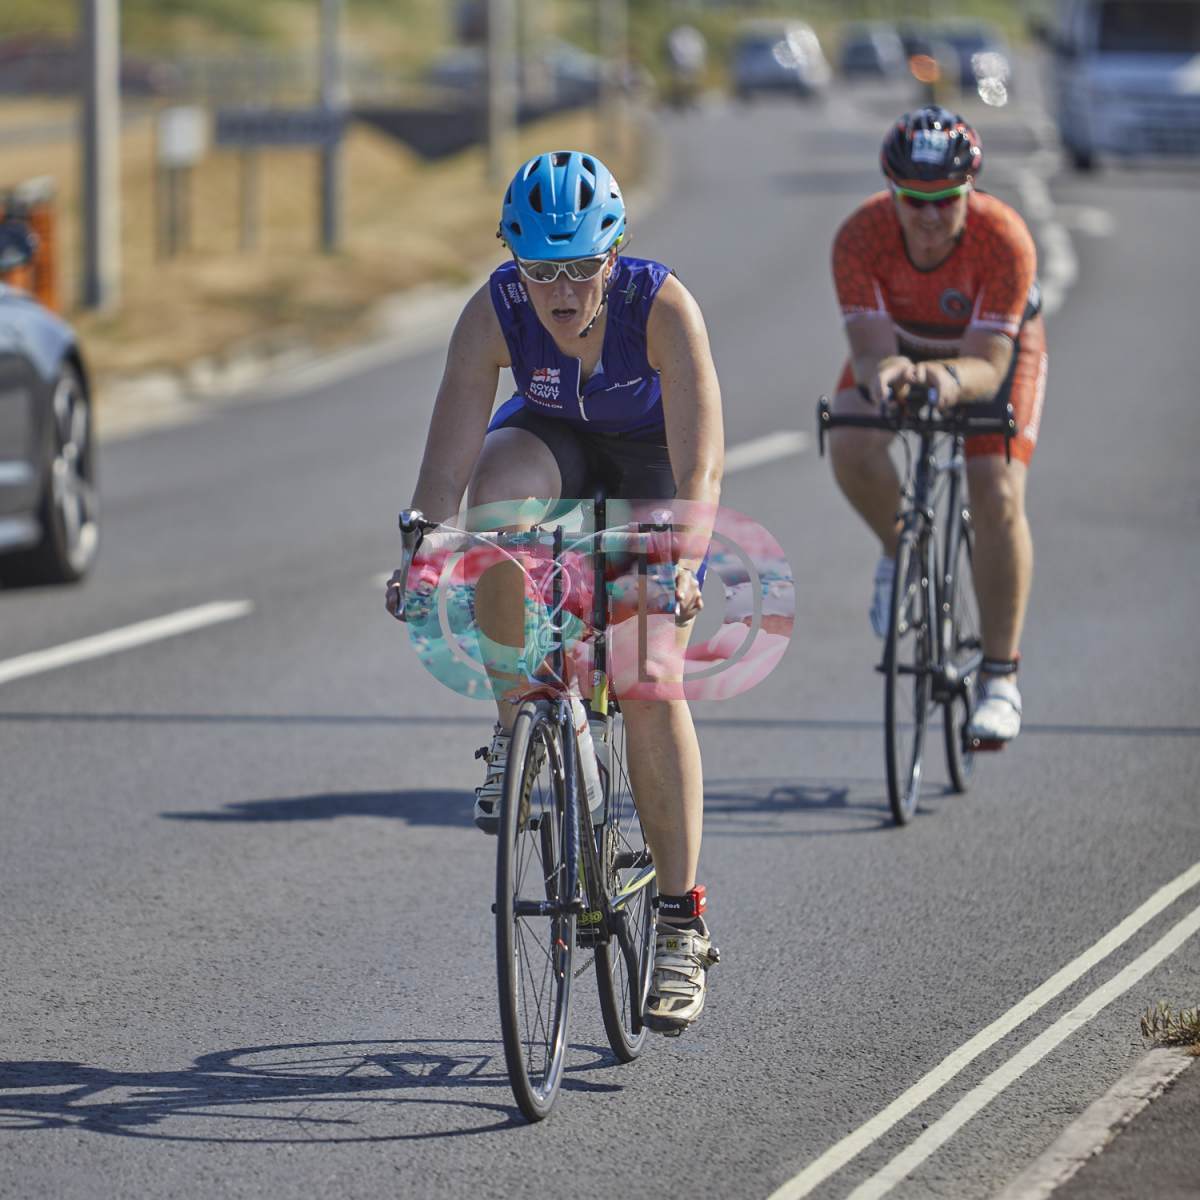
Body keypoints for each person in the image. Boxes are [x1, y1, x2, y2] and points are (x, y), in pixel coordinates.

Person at [385, 150, 725, 1033]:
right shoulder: (494, 310)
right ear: (514, 261)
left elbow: (700, 465)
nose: (562, 291)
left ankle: (681, 924)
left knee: (648, 677)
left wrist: (684, 562)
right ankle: (516, 726)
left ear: (615, 254)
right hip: (548, 444)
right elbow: (445, 466)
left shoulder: (663, 308)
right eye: (540, 270)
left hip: (651, 466)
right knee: (495, 514)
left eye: (580, 268)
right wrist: (425, 546)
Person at [828, 107, 1047, 744]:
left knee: (995, 489)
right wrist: (888, 373)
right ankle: (900, 552)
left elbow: (989, 364)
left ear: (970, 190)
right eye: (913, 200)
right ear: (891, 192)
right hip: (903, 345)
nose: (929, 216)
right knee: (849, 435)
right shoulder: (859, 236)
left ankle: (1000, 678)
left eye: (946, 200)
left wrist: (946, 381)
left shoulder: (1004, 239)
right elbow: (870, 352)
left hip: (988, 358)